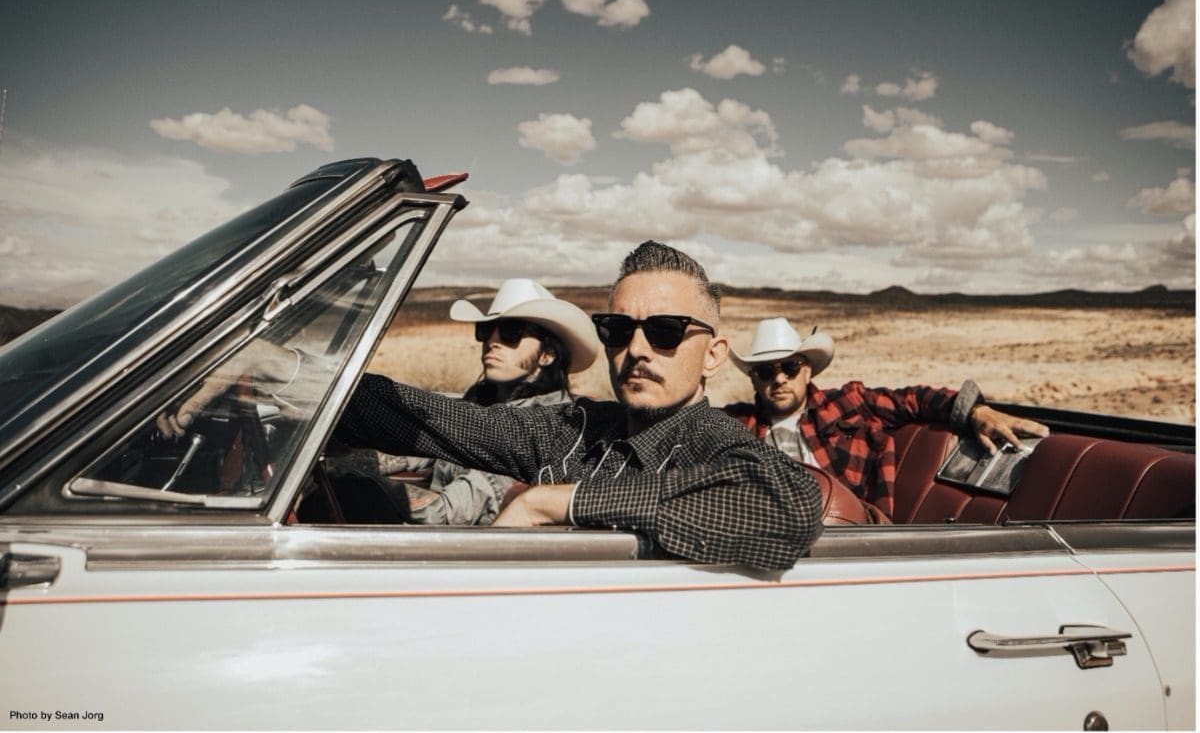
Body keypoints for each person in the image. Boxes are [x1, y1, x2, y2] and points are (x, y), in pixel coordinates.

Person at [160, 241, 824, 572]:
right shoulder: (575, 430)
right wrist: (278, 368)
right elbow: (434, 419)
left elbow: (786, 504)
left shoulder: (717, 443)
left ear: (713, 355)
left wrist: (553, 503)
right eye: (619, 330)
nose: (638, 349)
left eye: (668, 331)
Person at [723, 317, 1050, 519]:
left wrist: (976, 411)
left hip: (850, 532)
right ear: (754, 379)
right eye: (766, 371)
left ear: (807, 370)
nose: (779, 379)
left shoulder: (848, 403)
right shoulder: (734, 425)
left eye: (790, 367)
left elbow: (915, 400)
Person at [384, 278, 598, 525]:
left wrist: (361, 481)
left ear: (547, 355)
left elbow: (441, 512)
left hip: (467, 546)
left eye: (511, 332)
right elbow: (421, 445)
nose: (492, 342)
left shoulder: (544, 431)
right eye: (485, 330)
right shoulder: (479, 405)